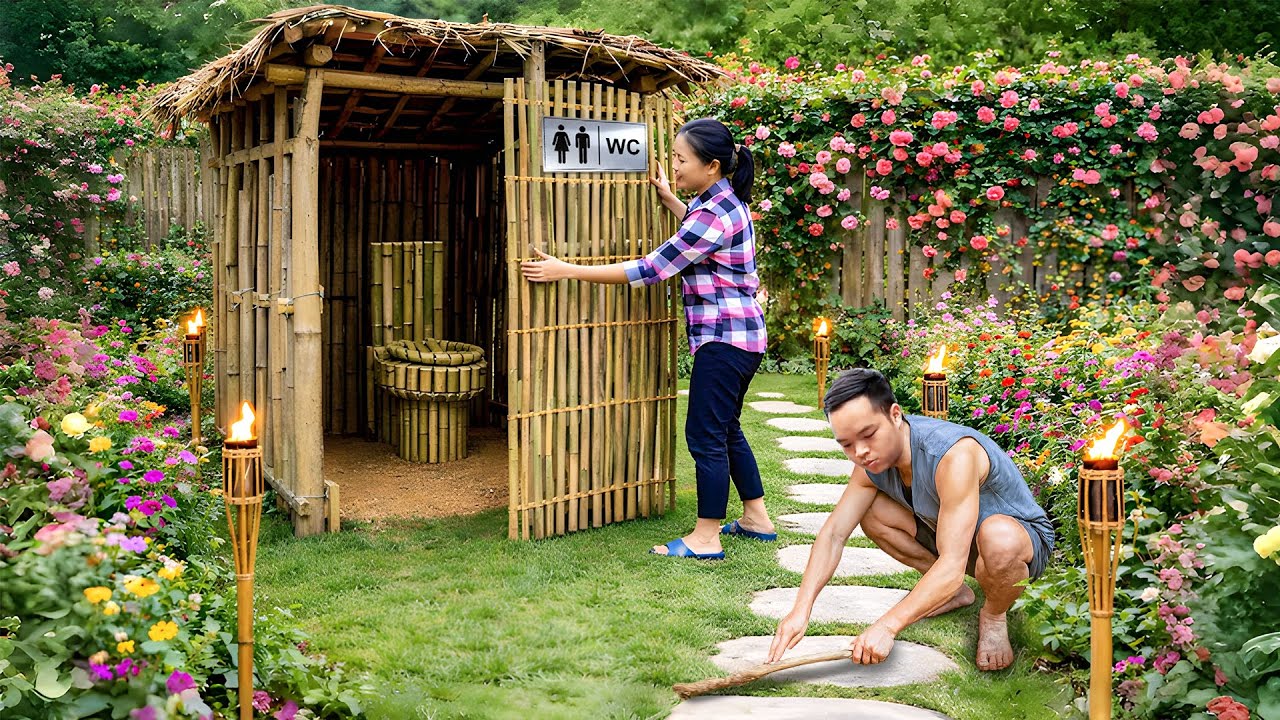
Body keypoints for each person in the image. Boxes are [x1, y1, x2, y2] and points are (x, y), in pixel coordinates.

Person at [521, 117, 773, 560]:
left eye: (681, 160)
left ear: (711, 166)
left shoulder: (711, 213)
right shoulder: (722, 202)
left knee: (705, 434)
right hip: (743, 335)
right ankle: (756, 518)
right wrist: (672, 198)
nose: (675, 166)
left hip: (724, 339)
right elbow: (700, 235)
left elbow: (650, 268)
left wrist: (567, 269)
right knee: (726, 426)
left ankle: (706, 537)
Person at [767, 368, 1054, 671]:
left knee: (999, 538)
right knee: (873, 512)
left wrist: (887, 627)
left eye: (868, 435)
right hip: (957, 539)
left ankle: (994, 615)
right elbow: (834, 534)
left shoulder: (952, 456)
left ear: (894, 414)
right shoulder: (871, 464)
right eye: (847, 444)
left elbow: (953, 565)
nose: (860, 452)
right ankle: (952, 594)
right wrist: (800, 609)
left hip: (1018, 545)